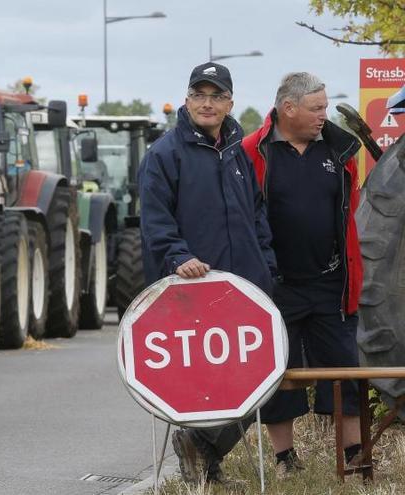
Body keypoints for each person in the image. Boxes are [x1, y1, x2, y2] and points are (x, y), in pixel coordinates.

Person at [138, 61, 277, 484]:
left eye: (216, 96)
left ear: (230, 103)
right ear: (187, 100)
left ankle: (204, 451)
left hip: (243, 290)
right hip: (193, 290)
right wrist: (178, 257)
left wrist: (266, 266)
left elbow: (257, 217)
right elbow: (155, 219)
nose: (207, 103)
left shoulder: (237, 151)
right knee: (205, 382)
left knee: (255, 379)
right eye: (199, 95)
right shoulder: (165, 154)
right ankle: (203, 452)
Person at [242, 72, 363, 478]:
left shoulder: (338, 151)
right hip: (277, 287)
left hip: (330, 283)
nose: (324, 116)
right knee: (281, 373)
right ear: (287, 109)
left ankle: (354, 455)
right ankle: (284, 461)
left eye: (326, 107)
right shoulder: (252, 152)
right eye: (317, 108)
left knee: (345, 370)